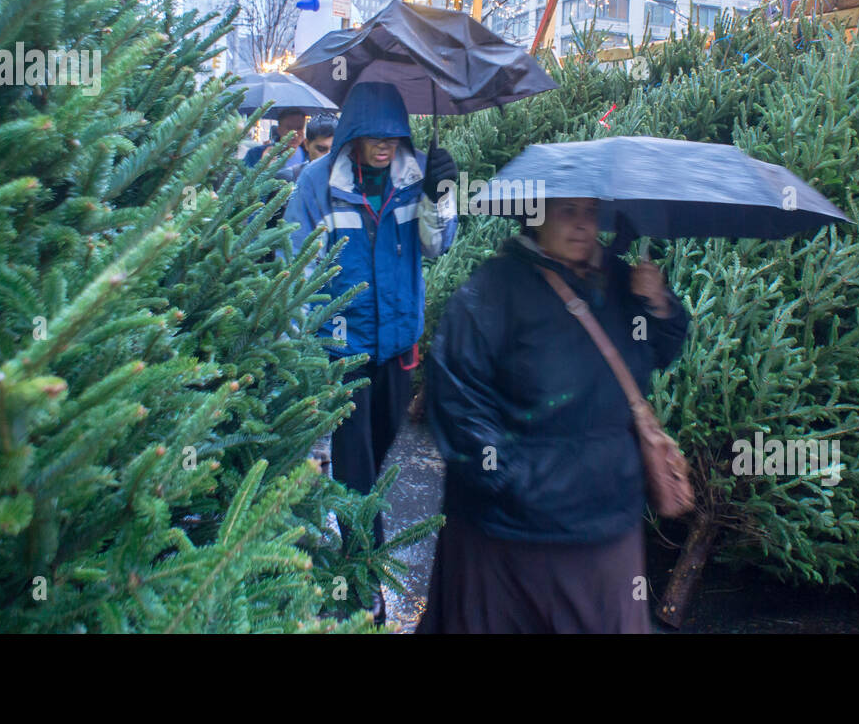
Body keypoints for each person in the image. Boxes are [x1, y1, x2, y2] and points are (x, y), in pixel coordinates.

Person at [417, 197, 689, 634]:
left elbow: (657, 351)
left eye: (589, 213)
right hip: (511, 534)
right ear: (536, 217)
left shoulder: (621, 281)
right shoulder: (491, 291)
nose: (582, 225)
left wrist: (659, 306)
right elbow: (457, 400)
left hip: (607, 522)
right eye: (566, 212)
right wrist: (512, 479)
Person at [284, 81, 459, 623]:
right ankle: (364, 584)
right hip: (342, 348)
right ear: (354, 133)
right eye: (374, 135)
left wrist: (442, 194)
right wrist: (300, 344)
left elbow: (439, 245)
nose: (385, 145)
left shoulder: (415, 178)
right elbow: (295, 266)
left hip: (397, 348)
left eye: (394, 134)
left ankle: (359, 558)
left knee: (381, 457)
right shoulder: (318, 184)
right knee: (356, 465)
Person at [276, 112, 336, 184]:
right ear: (307, 144)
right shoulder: (287, 178)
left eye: (334, 150)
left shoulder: (348, 181)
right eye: (321, 149)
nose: (328, 156)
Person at [244, 107, 309, 171]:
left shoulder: (310, 156)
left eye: (299, 128)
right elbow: (241, 178)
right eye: (289, 128)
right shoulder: (255, 154)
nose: (294, 133)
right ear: (279, 130)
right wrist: (262, 167)